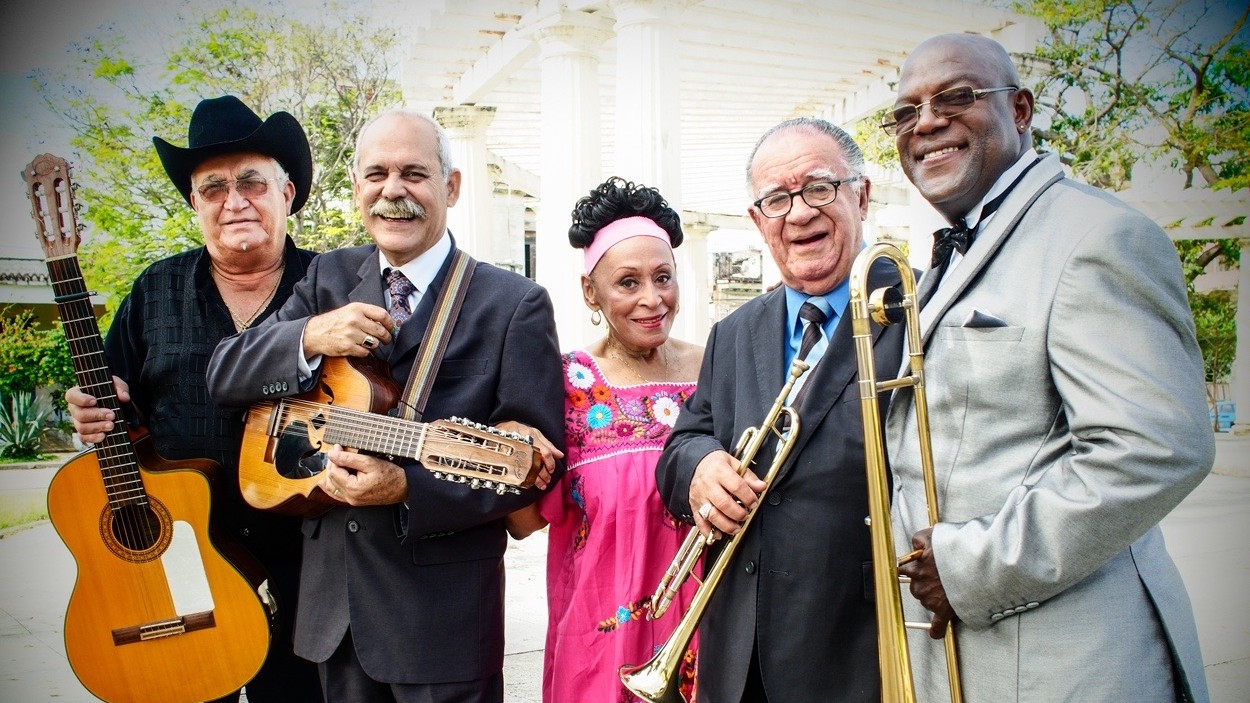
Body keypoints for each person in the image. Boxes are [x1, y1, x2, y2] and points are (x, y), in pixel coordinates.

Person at [884, 33, 1213, 702]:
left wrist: (971, 567)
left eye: (956, 96)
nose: (926, 122)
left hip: (1069, 665)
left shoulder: (1097, 234)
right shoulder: (954, 254)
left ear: (1023, 110)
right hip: (976, 663)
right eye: (906, 110)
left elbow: (1155, 446)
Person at [204, 108, 565, 703]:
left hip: (442, 624)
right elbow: (225, 373)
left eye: (414, 173)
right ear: (356, 188)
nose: (392, 191)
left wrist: (407, 488)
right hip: (335, 616)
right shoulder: (327, 278)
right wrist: (310, 335)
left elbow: (532, 472)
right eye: (376, 174)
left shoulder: (514, 305)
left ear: (450, 187)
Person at [65, 95, 323, 703]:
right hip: (180, 560)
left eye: (252, 182)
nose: (234, 201)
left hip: (305, 557)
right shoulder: (155, 290)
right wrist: (92, 412)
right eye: (213, 188)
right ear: (193, 203)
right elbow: (115, 412)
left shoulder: (331, 283)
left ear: (287, 193)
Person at [654, 117, 905, 703]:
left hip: (857, 656)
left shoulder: (918, 309)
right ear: (757, 220)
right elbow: (684, 444)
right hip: (738, 659)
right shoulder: (735, 332)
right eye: (776, 199)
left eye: (819, 187)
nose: (798, 213)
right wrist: (699, 470)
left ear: (861, 195)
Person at [505, 177, 704, 702]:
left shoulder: (716, 366)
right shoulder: (566, 384)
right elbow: (523, 521)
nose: (652, 299)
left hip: (711, 633)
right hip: (600, 646)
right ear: (590, 292)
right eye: (628, 282)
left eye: (663, 278)